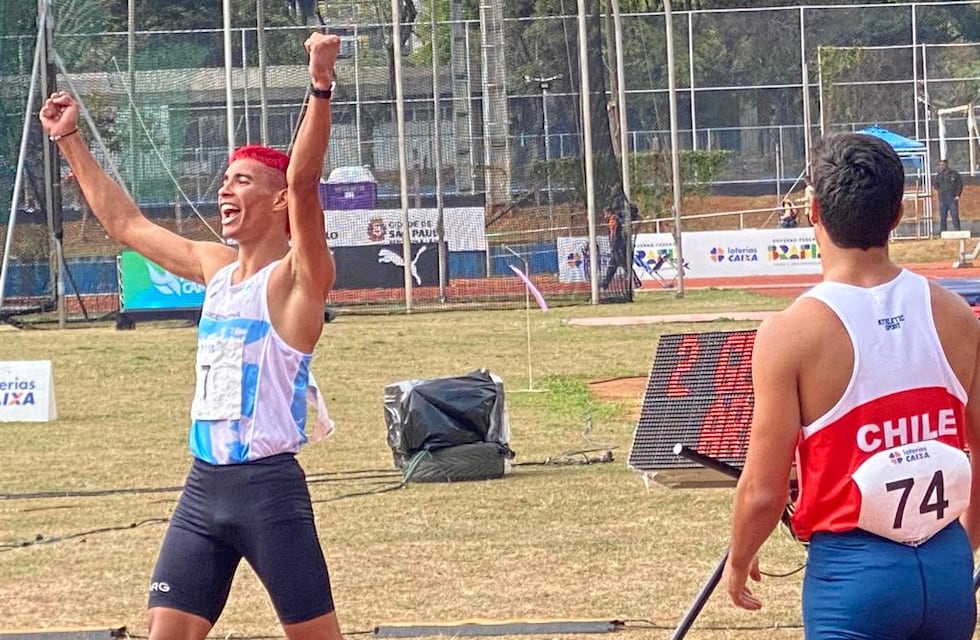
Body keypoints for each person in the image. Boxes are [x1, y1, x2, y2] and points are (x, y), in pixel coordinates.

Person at [39, 32, 344, 640]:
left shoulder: (299, 280)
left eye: (242, 181)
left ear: (278, 202)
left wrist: (319, 82)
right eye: (225, 180)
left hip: (269, 495)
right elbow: (125, 224)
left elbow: (306, 184)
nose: (224, 191)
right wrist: (68, 138)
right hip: (203, 490)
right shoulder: (214, 269)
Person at [723, 132, 980, 639]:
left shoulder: (790, 333)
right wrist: (963, 543)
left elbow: (763, 489)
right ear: (898, 213)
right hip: (945, 562)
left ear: (814, 211)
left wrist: (739, 558)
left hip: (853, 573)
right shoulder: (956, 314)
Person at [934, 158, 963, 233]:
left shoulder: (954, 174)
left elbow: (959, 185)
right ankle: (943, 232)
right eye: (940, 165)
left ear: (947, 165)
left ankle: (957, 231)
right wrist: (940, 191)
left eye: (943, 164)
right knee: (943, 216)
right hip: (942, 199)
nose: (941, 166)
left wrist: (957, 195)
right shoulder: (939, 175)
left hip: (952, 198)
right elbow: (935, 185)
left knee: (954, 215)